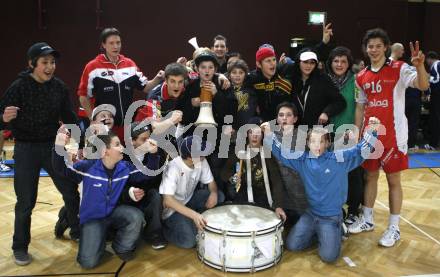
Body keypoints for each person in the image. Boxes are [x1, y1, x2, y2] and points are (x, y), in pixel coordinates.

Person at [348, 29, 429, 247]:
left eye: (377, 46)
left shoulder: (400, 69)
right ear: (366, 49)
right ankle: (368, 220)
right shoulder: (361, 76)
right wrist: (357, 133)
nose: (373, 50)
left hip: (394, 136)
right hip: (371, 137)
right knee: (370, 177)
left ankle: (394, 228)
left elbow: (423, 85)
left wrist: (420, 65)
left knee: (394, 180)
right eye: (370, 46)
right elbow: (360, 107)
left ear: (385, 47)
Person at [0, 42, 78, 265]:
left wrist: (81, 144)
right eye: (45, 62)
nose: (50, 66)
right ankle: (20, 246)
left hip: (53, 146)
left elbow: (70, 117)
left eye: (53, 62)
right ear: (32, 64)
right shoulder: (18, 87)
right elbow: (1, 115)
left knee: (71, 192)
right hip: (25, 149)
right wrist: (4, 118)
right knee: (25, 202)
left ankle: (77, 230)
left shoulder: (59, 87)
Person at [261, 119, 379, 263]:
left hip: (330, 218)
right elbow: (282, 153)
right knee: (292, 245)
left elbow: (361, 151)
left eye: (321, 142)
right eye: (313, 141)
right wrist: (268, 134)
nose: (317, 146)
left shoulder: (338, 159)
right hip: (311, 214)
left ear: (328, 143)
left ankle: (337, 228)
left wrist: (372, 131)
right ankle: (322, 235)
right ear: (308, 144)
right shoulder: (302, 160)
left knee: (329, 257)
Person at [53, 131, 160, 268]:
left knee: (136, 216)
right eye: (117, 144)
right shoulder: (87, 167)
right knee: (88, 263)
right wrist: (58, 146)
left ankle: (121, 247)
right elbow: (61, 169)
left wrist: (153, 154)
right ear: (104, 151)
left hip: (114, 212)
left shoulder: (125, 167)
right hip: (93, 218)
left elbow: (148, 174)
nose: (122, 147)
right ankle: (75, 223)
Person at [77, 27, 164, 142]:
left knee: (126, 159)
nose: (115, 46)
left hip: (127, 125)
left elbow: (146, 88)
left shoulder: (130, 65)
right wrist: (92, 120)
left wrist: (158, 78)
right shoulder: (93, 67)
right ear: (103, 45)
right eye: (111, 43)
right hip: (105, 127)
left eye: (118, 43)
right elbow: (83, 96)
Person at [159, 135, 224, 248]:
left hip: (189, 200)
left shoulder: (200, 160)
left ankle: (193, 218)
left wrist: (213, 193)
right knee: (189, 242)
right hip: (172, 211)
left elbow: (211, 183)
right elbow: (168, 200)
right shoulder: (173, 168)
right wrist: (194, 215)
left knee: (219, 196)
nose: (205, 154)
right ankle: (165, 230)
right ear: (190, 157)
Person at [326, 46, 365, 225]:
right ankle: (336, 208)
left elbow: (360, 107)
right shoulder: (324, 80)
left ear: (349, 63)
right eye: (336, 61)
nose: (339, 64)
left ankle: (354, 209)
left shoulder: (356, 81)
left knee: (353, 174)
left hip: (349, 134)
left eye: (343, 61)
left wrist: (356, 131)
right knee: (332, 175)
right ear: (330, 62)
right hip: (328, 135)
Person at [221, 117, 286, 221]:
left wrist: (278, 205)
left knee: (260, 221)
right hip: (243, 191)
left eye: (258, 132)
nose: (254, 136)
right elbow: (225, 172)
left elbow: (276, 180)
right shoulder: (240, 150)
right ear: (247, 134)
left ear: (263, 135)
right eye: (251, 132)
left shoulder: (268, 153)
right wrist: (232, 178)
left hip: (262, 193)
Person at [121, 122, 167, 249]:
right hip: (127, 198)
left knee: (156, 195)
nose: (149, 142)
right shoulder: (121, 156)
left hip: (147, 195)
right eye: (144, 139)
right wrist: (130, 191)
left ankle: (155, 234)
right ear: (132, 141)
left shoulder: (157, 153)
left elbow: (159, 179)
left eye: (149, 137)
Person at [290, 49, 346, 127]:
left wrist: (326, 113)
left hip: (317, 131)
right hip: (295, 130)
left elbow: (340, 102)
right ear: (299, 62)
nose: (308, 66)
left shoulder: (323, 79)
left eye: (312, 63)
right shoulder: (292, 79)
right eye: (305, 62)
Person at [273, 102, 308, 225]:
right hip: (284, 199)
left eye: (288, 115)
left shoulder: (304, 137)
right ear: (277, 119)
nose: (284, 118)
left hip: (303, 197)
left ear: (295, 119)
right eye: (281, 115)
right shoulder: (271, 135)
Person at [227, 59, 258, 128]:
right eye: (234, 72)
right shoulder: (226, 91)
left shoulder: (252, 91)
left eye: (241, 73)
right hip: (232, 130)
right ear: (229, 75)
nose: (237, 75)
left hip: (250, 129)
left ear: (245, 75)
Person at [425, 51, 440, 150]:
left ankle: (433, 144)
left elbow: (437, 79)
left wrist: (427, 77)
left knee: (435, 119)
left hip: (437, 95)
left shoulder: (436, 64)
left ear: (429, 58)